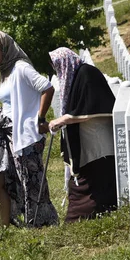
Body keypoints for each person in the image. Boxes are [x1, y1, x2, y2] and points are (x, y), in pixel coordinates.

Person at [0, 29, 58, 227]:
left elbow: (47, 88)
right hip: (5, 133)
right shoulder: (6, 72)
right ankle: (4, 225)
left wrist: (40, 118)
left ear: (6, 48)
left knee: (31, 182)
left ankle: (42, 223)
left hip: (24, 134)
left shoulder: (21, 68)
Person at [48, 47, 117, 223]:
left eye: (58, 66)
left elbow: (90, 106)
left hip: (97, 140)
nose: (58, 71)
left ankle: (92, 212)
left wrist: (62, 119)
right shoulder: (76, 76)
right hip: (86, 138)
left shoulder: (87, 73)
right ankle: (80, 214)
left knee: (98, 176)